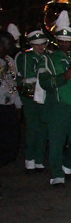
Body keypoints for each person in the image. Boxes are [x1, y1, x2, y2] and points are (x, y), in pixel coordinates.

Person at [38, 10, 71, 186]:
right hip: (57, 106)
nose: (64, 44)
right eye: (61, 41)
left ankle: (67, 164)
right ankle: (56, 174)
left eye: (67, 41)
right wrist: (64, 76)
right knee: (57, 142)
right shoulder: (48, 59)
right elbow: (44, 82)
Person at [15, 29, 51, 172]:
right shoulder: (24, 57)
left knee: (43, 128)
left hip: (45, 96)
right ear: (31, 44)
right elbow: (25, 77)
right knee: (32, 128)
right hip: (30, 97)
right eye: (36, 44)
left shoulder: (49, 56)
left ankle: (38, 158)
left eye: (42, 44)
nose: (40, 47)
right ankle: (29, 158)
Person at [0, 31, 22, 168]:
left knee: (11, 144)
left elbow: (14, 84)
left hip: (9, 107)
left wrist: (18, 105)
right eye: (6, 45)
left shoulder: (10, 61)